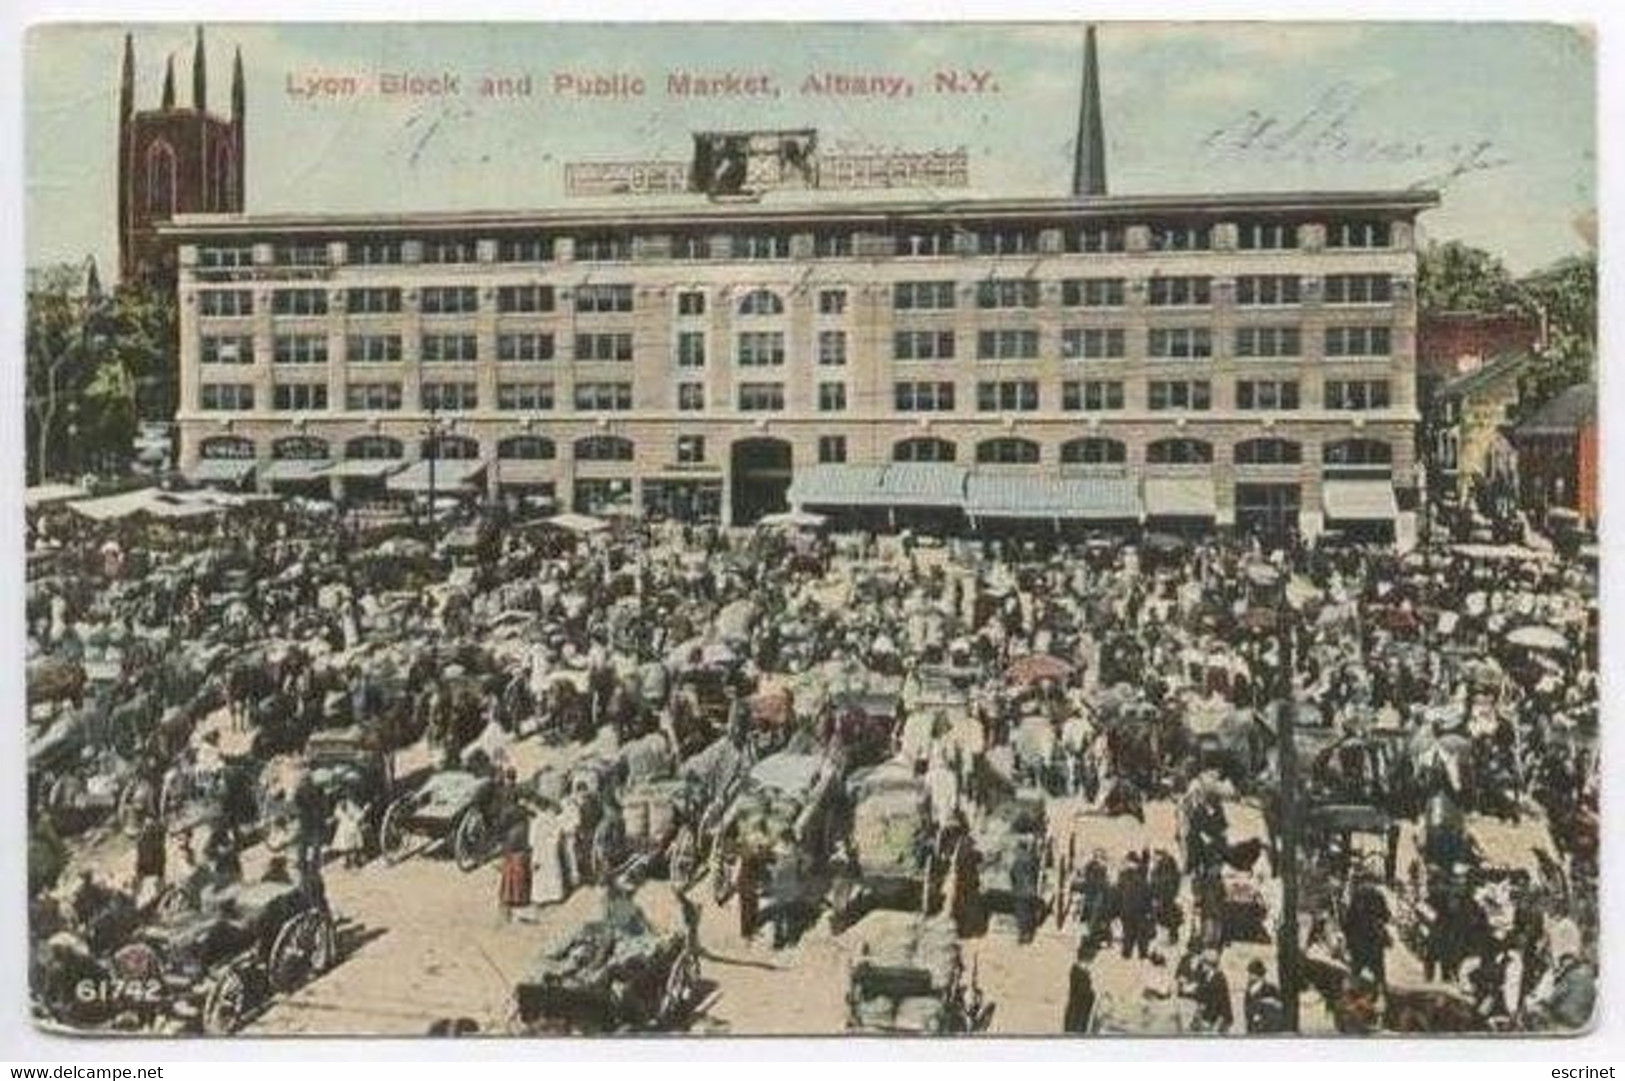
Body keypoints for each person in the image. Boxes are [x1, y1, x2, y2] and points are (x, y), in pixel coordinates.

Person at [529, 800, 567, 906]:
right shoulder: (552, 819)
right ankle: (556, 895)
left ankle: (541, 898)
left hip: (540, 849)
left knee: (540, 874)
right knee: (553, 870)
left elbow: (531, 841)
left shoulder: (536, 822)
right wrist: (554, 842)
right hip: (550, 849)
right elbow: (558, 832)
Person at [499, 816, 532, 921]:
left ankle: (509, 901)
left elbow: (506, 848)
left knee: (510, 881)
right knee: (518, 880)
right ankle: (518, 900)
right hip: (519, 857)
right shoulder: (524, 828)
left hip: (512, 857)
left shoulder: (510, 833)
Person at [1243, 959, 1286, 1033]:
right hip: (1253, 1028)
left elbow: (1279, 1007)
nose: (1250, 976)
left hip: (1268, 1028)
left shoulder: (1271, 989)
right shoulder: (1249, 990)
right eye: (1250, 973)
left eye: (1252, 973)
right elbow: (1247, 1009)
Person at [1062, 943, 1096, 1034]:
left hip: (1077, 1011)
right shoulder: (1079, 972)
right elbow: (1082, 991)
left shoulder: (1080, 971)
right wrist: (1092, 994)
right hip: (1077, 1013)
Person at [132, 816, 166, 905]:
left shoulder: (158, 834)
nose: (149, 829)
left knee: (159, 879)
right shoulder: (142, 838)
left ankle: (160, 896)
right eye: (147, 827)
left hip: (155, 861)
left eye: (151, 827)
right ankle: (133, 899)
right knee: (139, 880)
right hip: (146, 862)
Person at [330, 795, 367, 870]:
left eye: (342, 801)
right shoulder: (338, 808)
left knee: (355, 844)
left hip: (352, 826)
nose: (341, 803)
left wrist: (360, 815)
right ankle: (347, 859)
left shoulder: (351, 806)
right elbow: (337, 816)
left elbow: (359, 815)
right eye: (339, 802)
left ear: (345, 800)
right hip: (343, 828)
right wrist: (332, 819)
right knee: (344, 845)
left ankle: (357, 860)